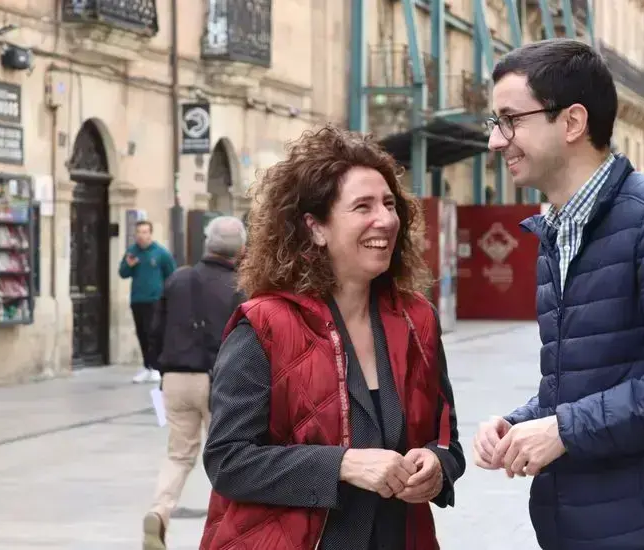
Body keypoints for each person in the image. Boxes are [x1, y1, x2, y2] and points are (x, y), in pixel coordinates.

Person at [472, 39, 644, 549]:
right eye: (495, 123)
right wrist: (521, 422)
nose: (496, 141)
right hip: (576, 529)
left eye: (510, 120)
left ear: (572, 122)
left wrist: (565, 430)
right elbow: (586, 381)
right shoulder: (554, 233)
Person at [199, 126, 465, 550]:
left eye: (390, 204)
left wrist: (438, 464)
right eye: (363, 206)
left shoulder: (419, 319)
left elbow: (446, 437)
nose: (386, 219)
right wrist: (342, 465)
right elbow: (228, 460)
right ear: (316, 228)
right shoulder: (265, 326)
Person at [142, 216, 248, 550]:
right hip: (218, 382)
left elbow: (154, 330)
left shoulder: (177, 279)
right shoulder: (239, 287)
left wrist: (160, 368)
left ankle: (159, 511)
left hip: (175, 377)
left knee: (178, 455)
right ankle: (228, 529)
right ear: (241, 250)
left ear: (207, 243)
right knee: (230, 455)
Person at [118, 220, 176, 383]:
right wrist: (129, 266)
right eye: (139, 232)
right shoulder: (131, 252)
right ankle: (146, 366)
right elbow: (122, 273)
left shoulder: (161, 253)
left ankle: (156, 367)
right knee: (142, 333)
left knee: (154, 334)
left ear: (150, 234)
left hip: (155, 300)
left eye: (145, 232)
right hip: (138, 299)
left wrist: (167, 297)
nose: (141, 236)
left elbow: (171, 275)